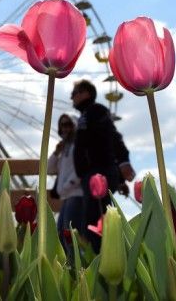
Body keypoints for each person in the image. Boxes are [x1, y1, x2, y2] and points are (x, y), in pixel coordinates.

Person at [70, 79, 135, 252]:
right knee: (93, 220)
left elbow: (112, 137)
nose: (71, 97)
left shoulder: (97, 111)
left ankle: (100, 260)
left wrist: (123, 162)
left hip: (99, 172)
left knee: (95, 222)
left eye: (75, 93)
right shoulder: (86, 115)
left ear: (86, 93)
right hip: (92, 174)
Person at [48, 113, 85, 257]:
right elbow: (50, 169)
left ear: (75, 126)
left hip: (76, 195)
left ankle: (76, 267)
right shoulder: (64, 149)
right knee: (61, 233)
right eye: (62, 125)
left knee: (70, 235)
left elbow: (80, 171)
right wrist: (56, 152)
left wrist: (64, 188)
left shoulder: (78, 146)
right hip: (67, 197)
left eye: (68, 124)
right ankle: (70, 265)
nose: (65, 128)